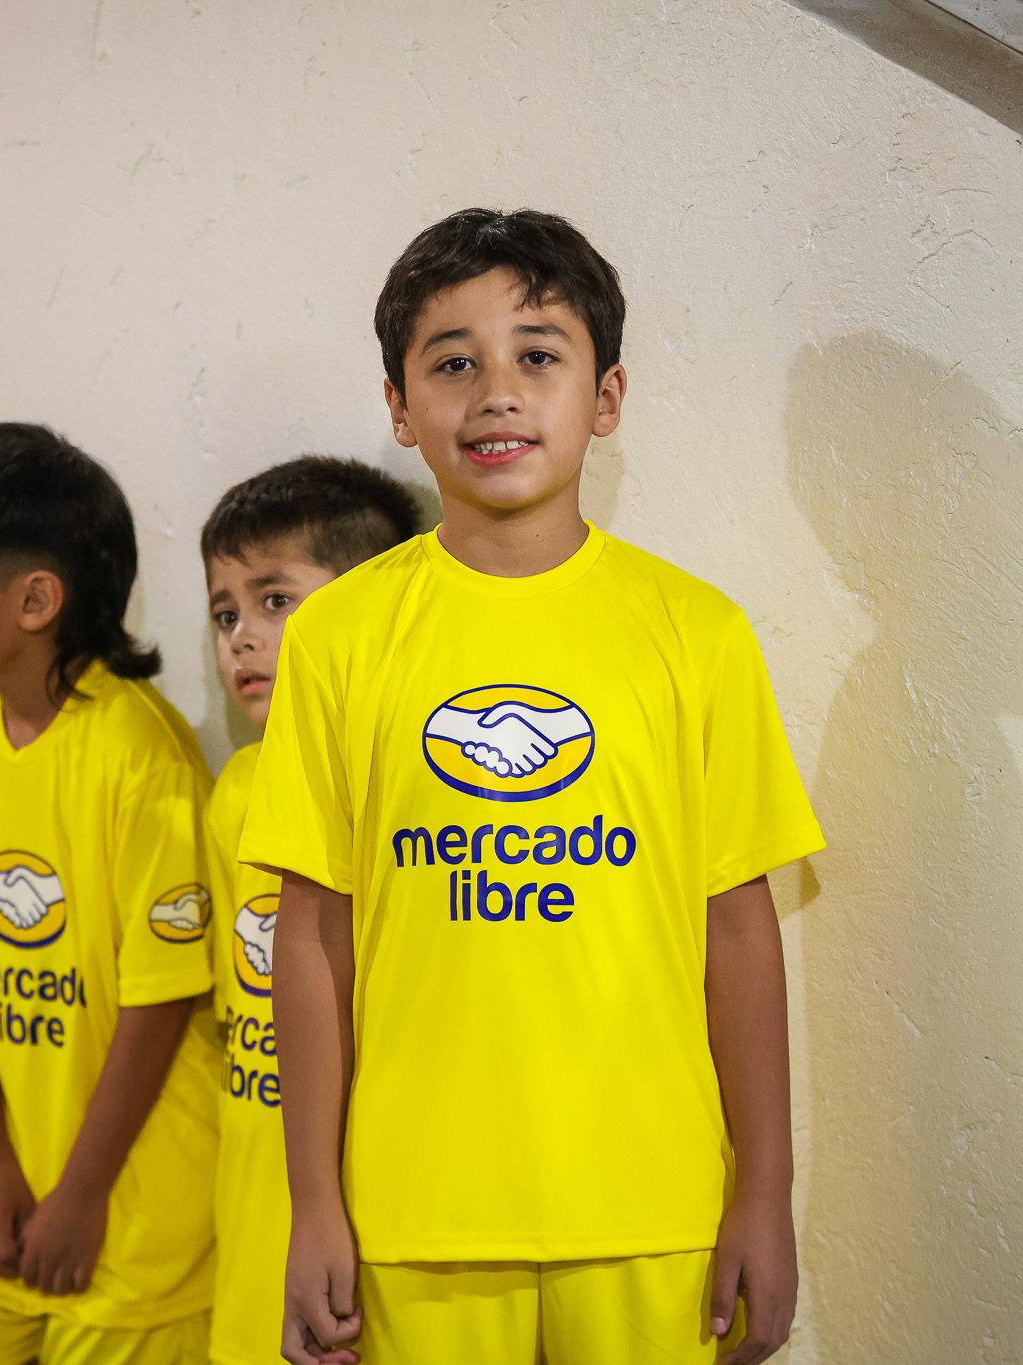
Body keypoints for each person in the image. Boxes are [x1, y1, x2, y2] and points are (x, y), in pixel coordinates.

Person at [242, 208, 826, 1365]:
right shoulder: (338, 638)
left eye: (537, 355)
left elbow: (736, 928)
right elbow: (310, 934)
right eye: (453, 364)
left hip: (651, 1211)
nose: (496, 394)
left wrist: (762, 1191)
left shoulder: (695, 633)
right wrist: (313, 1203)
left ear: (605, 398)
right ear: (399, 406)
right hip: (413, 1218)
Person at [0, 423, 218, 1365]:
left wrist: (82, 1192)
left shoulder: (140, 756)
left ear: (35, 599)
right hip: (0, 1192)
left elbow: (160, 1001)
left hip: (132, 1212)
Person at [197, 457, 420, 1365]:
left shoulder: (401, 791)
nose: (241, 637)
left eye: (275, 600)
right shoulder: (236, 789)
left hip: (376, 1235)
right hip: (255, 1227)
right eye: (224, 613)